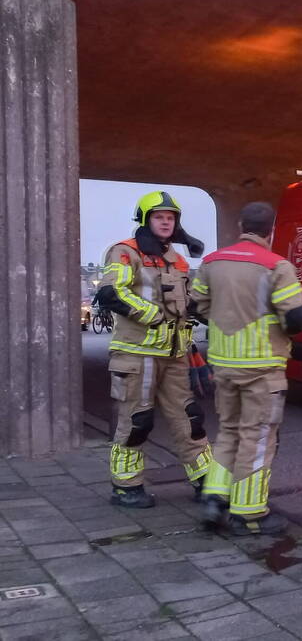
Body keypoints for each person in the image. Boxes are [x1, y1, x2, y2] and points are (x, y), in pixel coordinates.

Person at [190, 202, 302, 536]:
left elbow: (196, 305)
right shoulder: (277, 266)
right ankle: (250, 514)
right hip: (262, 368)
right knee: (257, 439)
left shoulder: (212, 262)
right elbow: (295, 318)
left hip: (224, 364)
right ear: (271, 229)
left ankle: (215, 497)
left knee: (228, 431)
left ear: (240, 224)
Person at [96, 191, 212, 508]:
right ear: (146, 220)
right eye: (159, 216)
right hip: (136, 354)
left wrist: (220, 317)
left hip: (174, 356)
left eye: (170, 217)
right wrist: (154, 315)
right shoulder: (124, 252)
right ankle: (126, 487)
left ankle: (206, 482)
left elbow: (189, 304)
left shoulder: (178, 260)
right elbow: (110, 293)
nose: (165, 221)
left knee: (191, 418)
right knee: (137, 421)